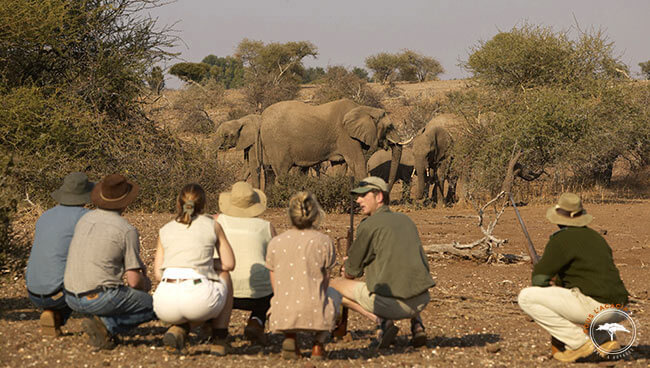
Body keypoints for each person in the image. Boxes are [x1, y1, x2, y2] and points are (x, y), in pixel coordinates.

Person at [518, 193, 629, 363]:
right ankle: (604, 340)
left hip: (596, 308)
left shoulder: (561, 239)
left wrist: (549, 280)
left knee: (526, 297)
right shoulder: (597, 238)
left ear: (557, 219)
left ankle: (579, 344)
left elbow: (539, 280)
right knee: (586, 296)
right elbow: (586, 276)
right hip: (619, 309)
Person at [330, 176, 435, 349]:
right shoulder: (406, 220)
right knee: (399, 274)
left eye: (363, 195)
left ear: (379, 197)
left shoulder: (368, 225)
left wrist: (346, 267)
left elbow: (351, 272)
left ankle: (383, 323)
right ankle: (417, 325)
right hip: (422, 300)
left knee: (333, 286)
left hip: (393, 306)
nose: (358, 200)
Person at [64, 174, 155, 350]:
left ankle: (102, 321)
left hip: (70, 296)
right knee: (158, 306)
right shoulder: (126, 230)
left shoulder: (84, 219)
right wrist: (146, 284)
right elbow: (134, 281)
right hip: (98, 298)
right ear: (126, 201)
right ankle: (108, 325)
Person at [152, 183, 235, 355]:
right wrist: (205, 263)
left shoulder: (165, 229)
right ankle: (220, 339)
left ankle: (179, 328)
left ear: (178, 203)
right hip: (198, 297)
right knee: (225, 275)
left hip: (164, 304)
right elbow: (229, 264)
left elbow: (158, 273)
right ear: (203, 204)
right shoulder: (212, 225)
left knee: (193, 300)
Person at [265, 192, 342, 360]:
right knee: (335, 295)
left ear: (290, 214)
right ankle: (317, 345)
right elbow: (325, 281)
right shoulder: (324, 241)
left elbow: (275, 284)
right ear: (315, 215)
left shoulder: (276, 242)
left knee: (284, 296)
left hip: (282, 311)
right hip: (315, 309)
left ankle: (290, 337)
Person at [25, 172, 94, 337]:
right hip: (59, 292)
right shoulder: (86, 218)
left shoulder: (44, 216)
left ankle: (55, 315)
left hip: (33, 290)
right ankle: (99, 322)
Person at [215, 181, 275, 344]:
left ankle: (212, 323)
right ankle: (257, 320)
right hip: (259, 294)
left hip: (224, 293)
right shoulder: (266, 227)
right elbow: (274, 261)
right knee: (272, 279)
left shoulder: (218, 223)